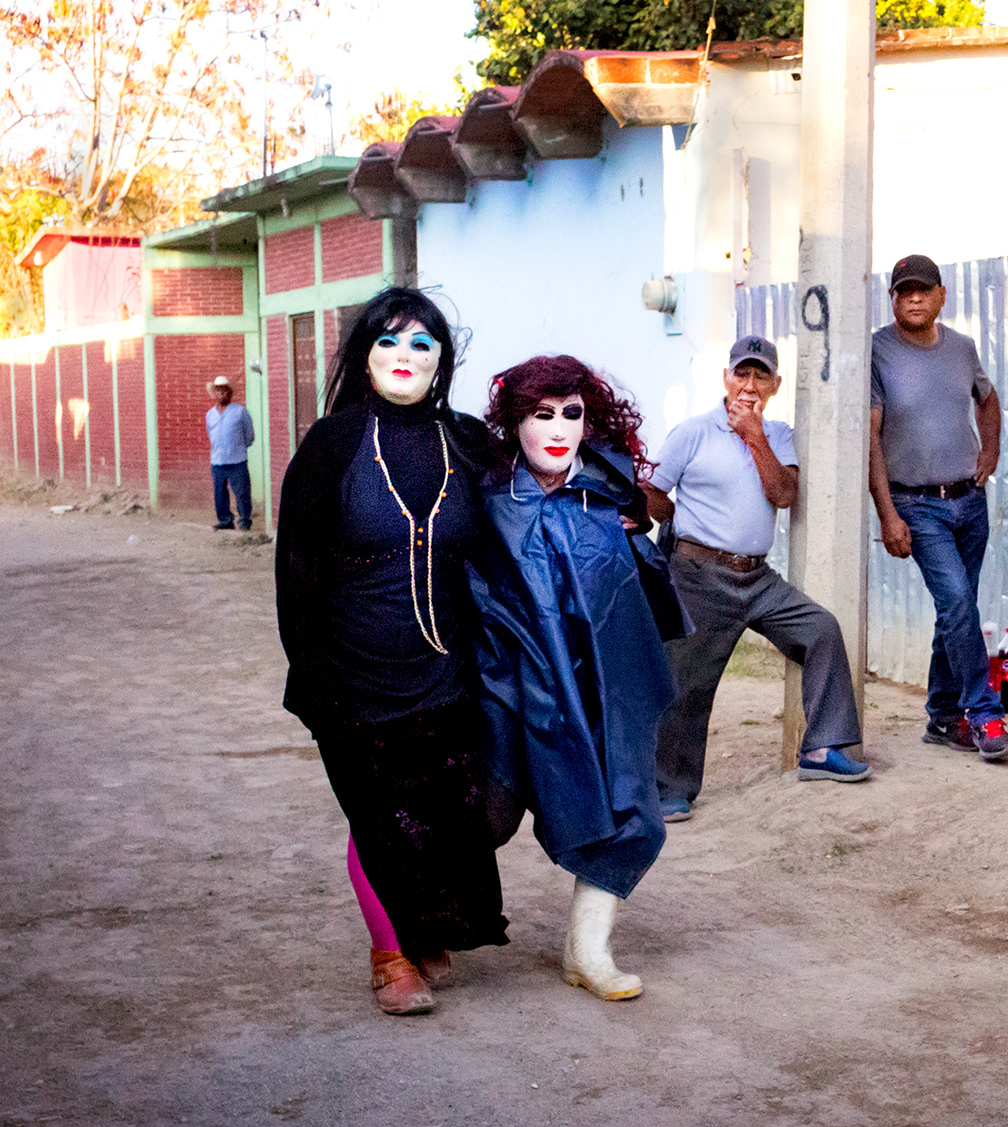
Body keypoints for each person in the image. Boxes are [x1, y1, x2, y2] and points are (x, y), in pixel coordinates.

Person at [276, 287, 510, 1017]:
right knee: (375, 813)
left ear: (441, 360)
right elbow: (295, 572)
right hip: (352, 674)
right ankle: (391, 957)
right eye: (388, 341)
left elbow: (524, 510)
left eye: (421, 343)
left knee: (455, 812)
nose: (404, 355)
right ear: (365, 356)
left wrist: (614, 505)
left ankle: (423, 928)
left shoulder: (467, 442)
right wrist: (313, 676)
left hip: (449, 670)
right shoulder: (332, 445)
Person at [468, 356, 681, 1001]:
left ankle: (588, 950)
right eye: (541, 414)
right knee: (488, 812)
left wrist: (631, 528)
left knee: (629, 804)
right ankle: (409, 933)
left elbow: (635, 588)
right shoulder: (487, 499)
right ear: (515, 421)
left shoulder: (607, 494)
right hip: (513, 685)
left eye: (572, 413)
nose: (558, 428)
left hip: (603, 682)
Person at [646, 335, 870, 822]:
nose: (749, 385)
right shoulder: (692, 433)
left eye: (760, 376)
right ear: (725, 379)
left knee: (821, 629)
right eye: (741, 374)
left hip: (757, 577)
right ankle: (669, 789)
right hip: (699, 574)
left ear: (775, 385)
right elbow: (653, 493)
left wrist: (754, 436)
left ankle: (822, 750)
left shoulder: (778, 435)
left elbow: (784, 494)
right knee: (688, 680)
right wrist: (679, 523)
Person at [867, 253, 1008, 762]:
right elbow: (869, 438)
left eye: (923, 290)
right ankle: (984, 714)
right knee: (957, 603)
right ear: (892, 299)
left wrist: (990, 451)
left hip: (969, 501)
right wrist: (887, 514)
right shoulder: (877, 352)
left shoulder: (961, 347)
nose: (914, 298)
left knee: (958, 609)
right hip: (916, 503)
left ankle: (942, 716)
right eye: (903, 291)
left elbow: (987, 399)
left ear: (941, 296)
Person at [206, 374, 255, 530]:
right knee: (220, 493)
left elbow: (249, 435)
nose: (221, 393)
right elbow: (211, 434)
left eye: (225, 390)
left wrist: (239, 447)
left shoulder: (240, 412)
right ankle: (225, 521)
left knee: (242, 492)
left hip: (237, 460)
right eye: (218, 390)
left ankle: (244, 521)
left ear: (230, 392)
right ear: (214, 393)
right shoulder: (210, 415)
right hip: (217, 460)